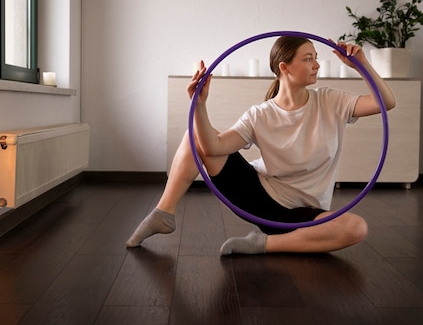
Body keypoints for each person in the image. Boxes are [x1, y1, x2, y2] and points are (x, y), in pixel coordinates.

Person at [127, 36, 396, 255]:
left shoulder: (330, 101)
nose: (317, 65)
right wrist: (199, 105)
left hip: (305, 212)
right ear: (285, 67)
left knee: (356, 228)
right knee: (193, 135)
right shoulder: (260, 114)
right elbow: (211, 148)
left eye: (316, 58)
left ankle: (264, 244)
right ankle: (164, 213)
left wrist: (361, 64)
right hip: (258, 197)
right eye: (308, 58)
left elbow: (385, 103)